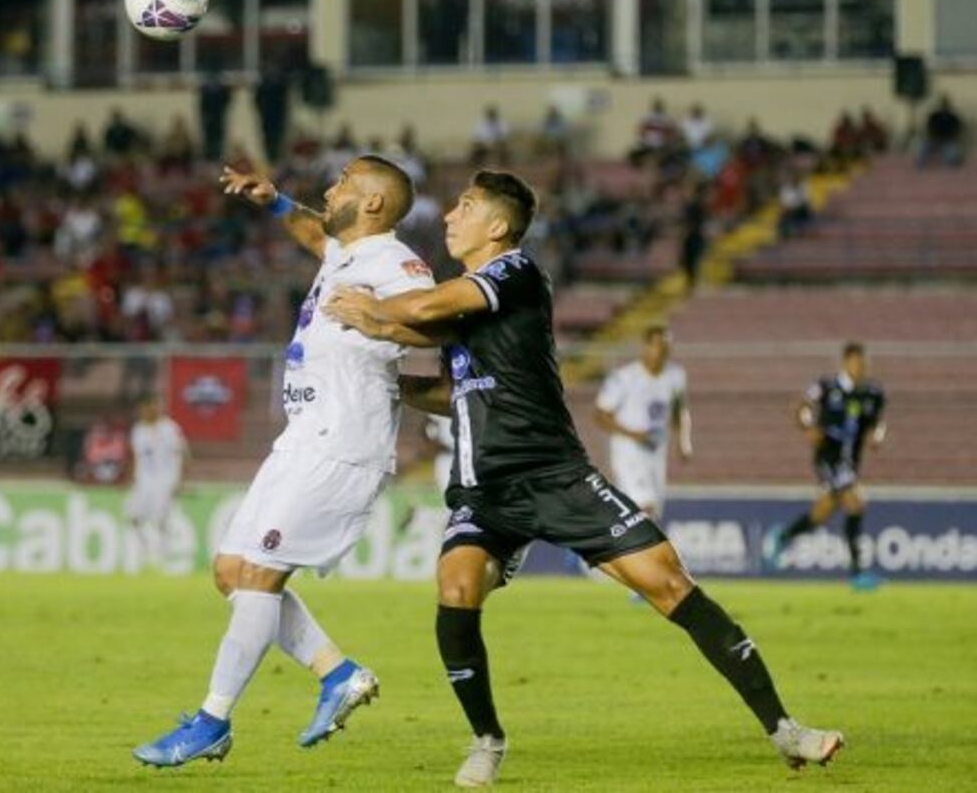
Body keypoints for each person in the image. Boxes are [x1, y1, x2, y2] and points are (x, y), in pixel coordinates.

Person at [325, 170, 842, 787]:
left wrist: (375, 314)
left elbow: (429, 306)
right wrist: (388, 386)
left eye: (464, 206)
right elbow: (452, 389)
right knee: (456, 586)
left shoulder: (513, 273)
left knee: (669, 583)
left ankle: (786, 729)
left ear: (497, 225)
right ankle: (486, 740)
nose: (447, 216)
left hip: (555, 475)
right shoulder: (467, 304)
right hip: (486, 488)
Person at [132, 155, 437, 769]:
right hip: (304, 436)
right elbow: (311, 231)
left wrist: (379, 322)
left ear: (374, 203)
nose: (331, 187)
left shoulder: (395, 262)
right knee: (231, 570)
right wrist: (273, 201)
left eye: (345, 182)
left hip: (343, 441)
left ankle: (212, 721)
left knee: (262, 575)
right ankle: (337, 673)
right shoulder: (345, 253)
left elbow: (435, 323)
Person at [764, 342, 887, 590]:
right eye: (856, 363)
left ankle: (783, 537)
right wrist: (808, 426)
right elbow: (802, 407)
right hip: (827, 456)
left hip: (850, 461)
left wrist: (878, 436)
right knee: (855, 501)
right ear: (846, 362)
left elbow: (878, 423)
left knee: (822, 513)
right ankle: (857, 573)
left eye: (864, 364)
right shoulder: (826, 387)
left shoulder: (873, 394)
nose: (861, 368)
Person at [593, 325, 692, 523]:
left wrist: (684, 441)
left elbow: (679, 410)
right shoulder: (625, 378)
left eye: (666, 345)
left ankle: (613, 550)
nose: (662, 350)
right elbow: (600, 415)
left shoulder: (676, 375)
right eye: (657, 345)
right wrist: (633, 434)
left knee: (649, 512)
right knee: (644, 507)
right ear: (645, 347)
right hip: (629, 451)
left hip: (656, 450)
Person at [124, 397, 188, 566]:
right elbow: (136, 457)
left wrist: (179, 480)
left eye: (148, 408)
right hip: (143, 481)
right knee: (134, 518)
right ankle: (144, 549)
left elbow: (181, 454)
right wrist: (133, 479)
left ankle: (164, 552)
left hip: (165, 480)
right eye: (142, 409)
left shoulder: (170, 428)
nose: (145, 412)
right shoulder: (138, 430)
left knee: (160, 519)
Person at [917, 95, 965, 168]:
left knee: (951, 155)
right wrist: (934, 137)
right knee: (923, 148)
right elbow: (929, 128)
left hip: (948, 141)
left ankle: (951, 167)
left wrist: (951, 138)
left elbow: (957, 130)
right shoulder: (934, 116)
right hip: (934, 140)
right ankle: (920, 167)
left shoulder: (952, 117)